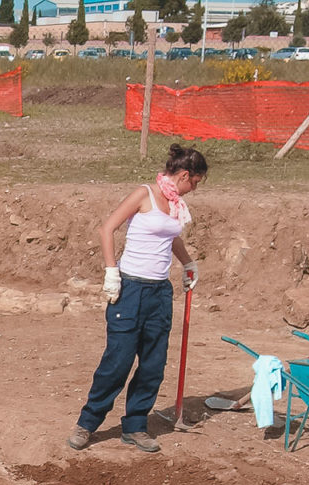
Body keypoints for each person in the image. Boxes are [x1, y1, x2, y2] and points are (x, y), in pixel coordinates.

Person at [68, 144, 207, 454]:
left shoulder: (175, 203)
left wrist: (188, 263)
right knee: (117, 361)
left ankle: (135, 425)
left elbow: (170, 237)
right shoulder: (144, 194)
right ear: (184, 175)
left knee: (153, 364)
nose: (195, 188)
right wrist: (110, 272)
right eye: (195, 181)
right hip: (130, 289)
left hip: (159, 293)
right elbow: (107, 228)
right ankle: (87, 424)